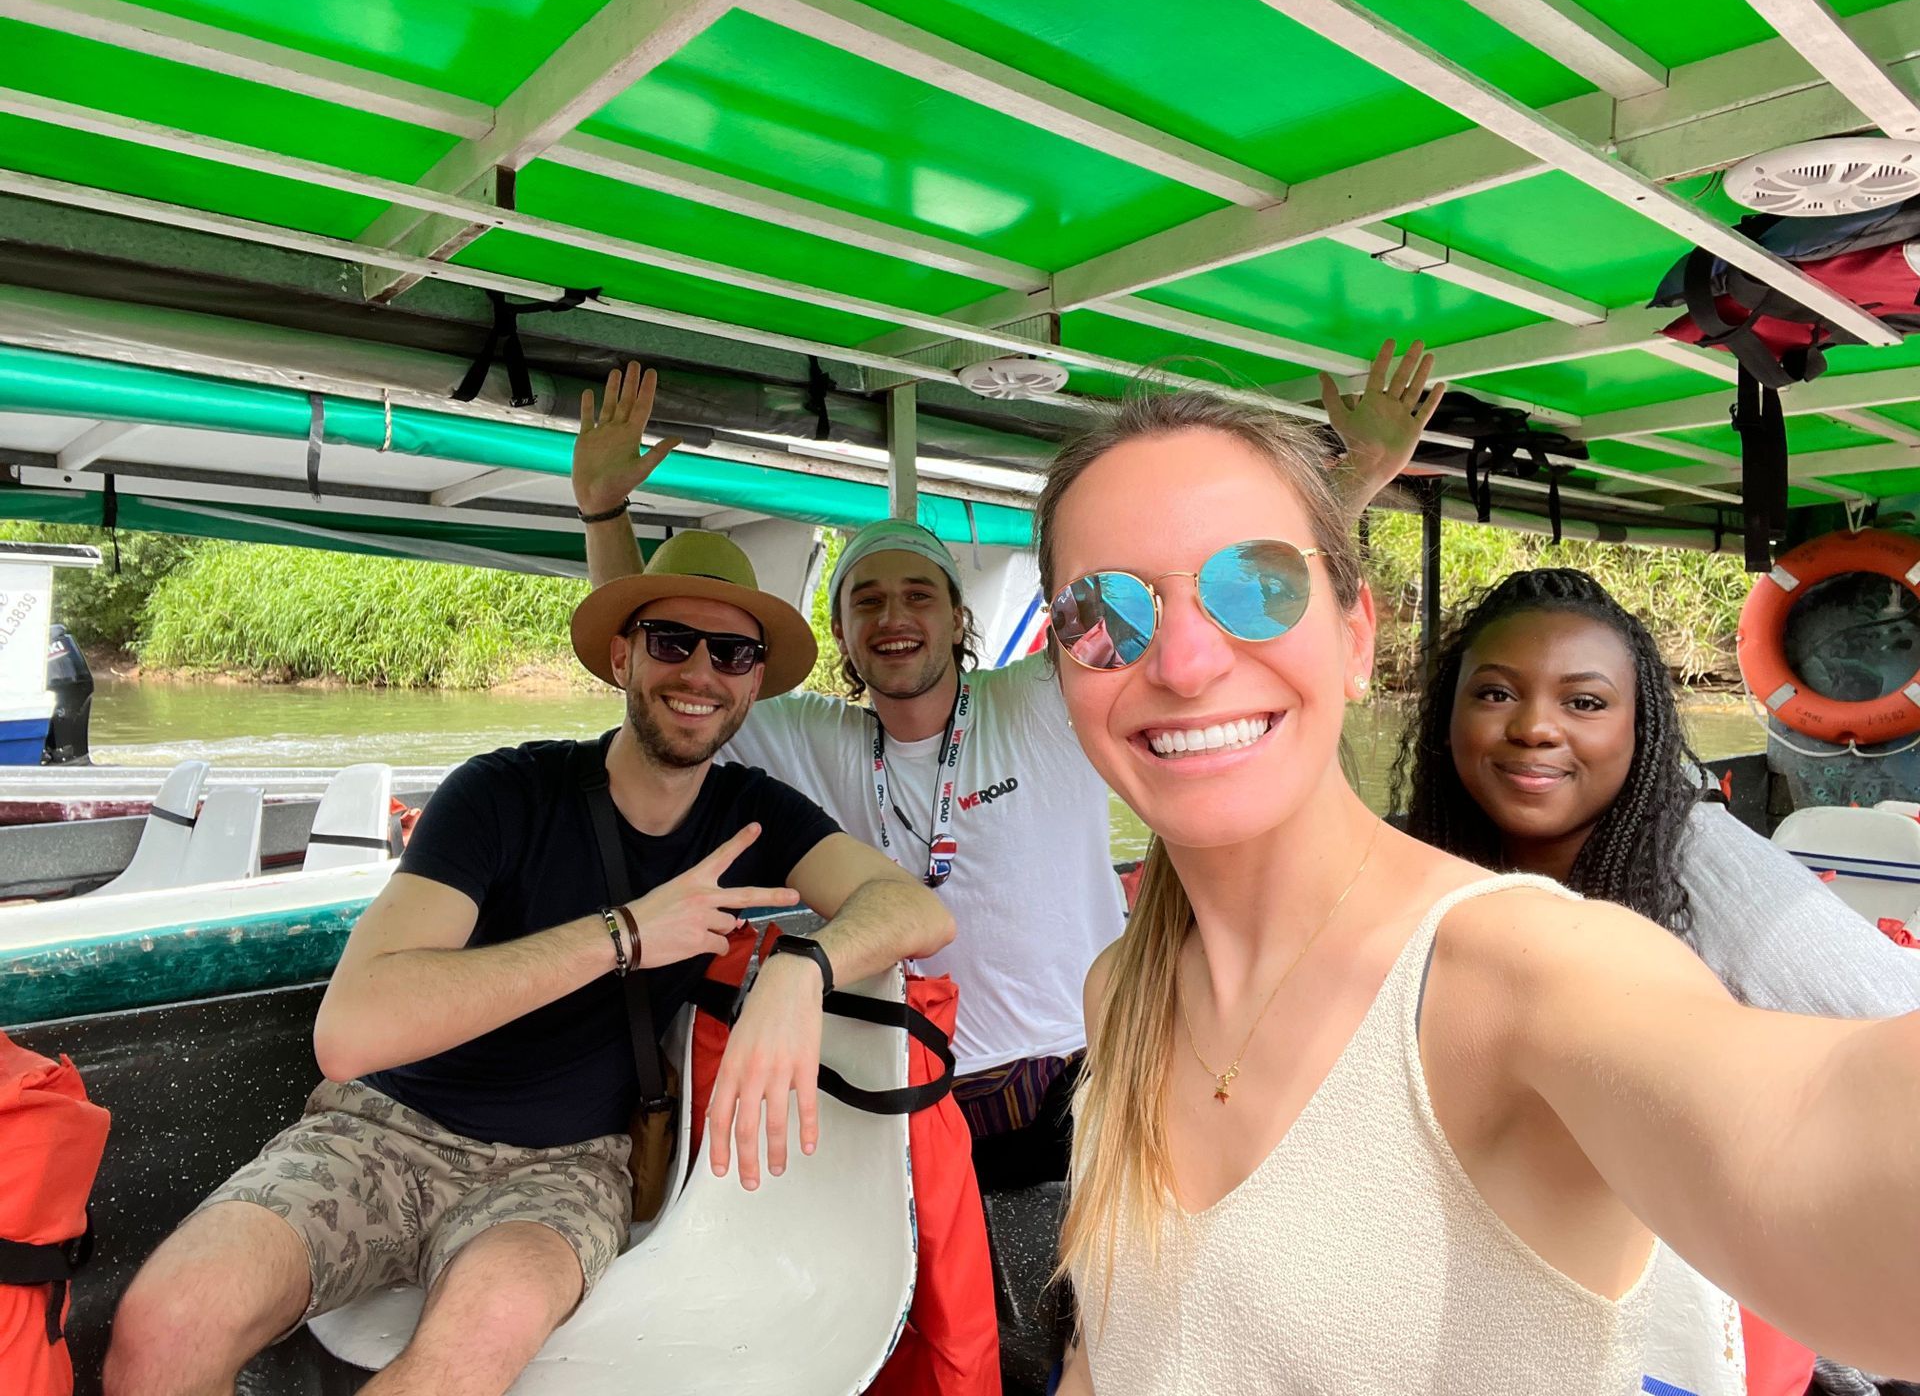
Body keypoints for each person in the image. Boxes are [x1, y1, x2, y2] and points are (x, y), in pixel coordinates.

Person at [1034, 392, 1920, 1394]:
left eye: (1261, 586)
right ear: (1064, 669)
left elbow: (1809, 1133)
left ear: (1357, 638)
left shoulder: (1523, 975)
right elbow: (1108, 1353)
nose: (1186, 663)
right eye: (1102, 614)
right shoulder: (1123, 994)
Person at [103, 530, 955, 1396]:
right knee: (166, 1322)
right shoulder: (502, 794)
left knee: (457, 1366)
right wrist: (623, 934)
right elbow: (351, 1029)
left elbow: (914, 909)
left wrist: (799, 969)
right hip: (377, 1132)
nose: (700, 671)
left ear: (751, 683)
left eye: (732, 652)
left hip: (563, 1170)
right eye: (672, 642)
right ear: (622, 656)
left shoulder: (751, 816)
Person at [570, 350, 1443, 1191]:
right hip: (910, 1087)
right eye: (865, 601)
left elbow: (1205, 598)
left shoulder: (1042, 696)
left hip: (1089, 1067)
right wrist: (604, 516)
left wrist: (1354, 477)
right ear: (841, 635)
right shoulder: (809, 738)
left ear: (957, 618)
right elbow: (657, 682)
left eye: (918, 595)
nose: (893, 617)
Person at [1393, 565, 1920, 1018]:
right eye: (1496, 693)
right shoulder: (1439, 859)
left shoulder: (1710, 874)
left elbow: (1893, 1026)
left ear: (1640, 734)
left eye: (1585, 703)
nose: (1535, 727)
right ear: (1448, 719)